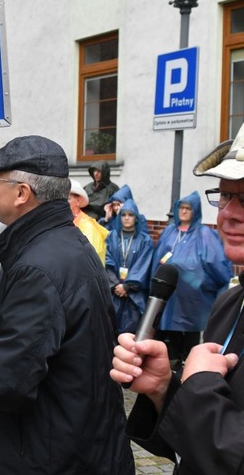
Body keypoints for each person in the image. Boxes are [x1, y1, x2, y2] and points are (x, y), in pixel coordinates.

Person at [0, 135, 134, 474]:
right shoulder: (68, 243)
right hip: (81, 444)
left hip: (49, 455)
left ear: (21, 193)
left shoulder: (36, 268)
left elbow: (7, 384)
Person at [110, 125, 244, 473]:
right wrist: (164, 389)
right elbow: (197, 449)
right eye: (225, 196)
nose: (228, 213)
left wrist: (200, 386)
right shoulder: (230, 305)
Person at [152, 190, 232, 370]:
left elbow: (216, 264)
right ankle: (173, 366)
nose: (184, 212)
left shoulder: (204, 235)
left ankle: (190, 367)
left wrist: (192, 274)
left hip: (193, 300)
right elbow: (157, 258)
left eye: (188, 208)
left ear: (195, 211)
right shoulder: (170, 232)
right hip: (171, 297)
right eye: (181, 207)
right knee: (169, 334)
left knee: (191, 337)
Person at [104, 199, 154, 334]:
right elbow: (106, 260)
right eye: (123, 215)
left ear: (136, 218)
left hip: (134, 296)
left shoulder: (145, 241)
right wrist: (115, 284)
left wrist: (127, 286)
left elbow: (144, 265)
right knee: (110, 330)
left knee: (130, 333)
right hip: (114, 293)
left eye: (130, 215)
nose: (126, 218)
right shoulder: (111, 237)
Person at [68, 178, 109, 263]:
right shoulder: (62, 221)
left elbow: (89, 261)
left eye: (67, 198)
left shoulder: (88, 227)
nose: (63, 202)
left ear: (78, 201)